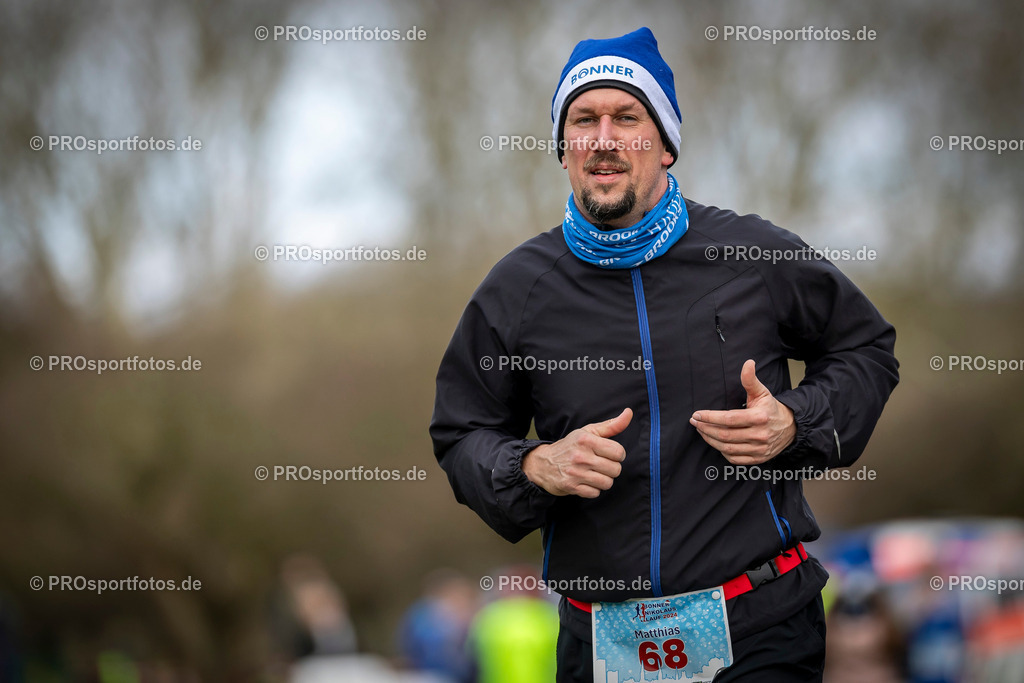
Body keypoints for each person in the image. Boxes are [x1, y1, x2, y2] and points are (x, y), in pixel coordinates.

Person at [430, 27, 899, 682]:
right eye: (583, 120)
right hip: (600, 642)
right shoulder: (517, 289)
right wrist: (533, 464)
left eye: (627, 117)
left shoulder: (752, 255)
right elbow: (461, 434)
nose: (604, 138)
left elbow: (866, 349)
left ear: (666, 144)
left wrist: (796, 421)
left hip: (759, 625)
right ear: (564, 149)